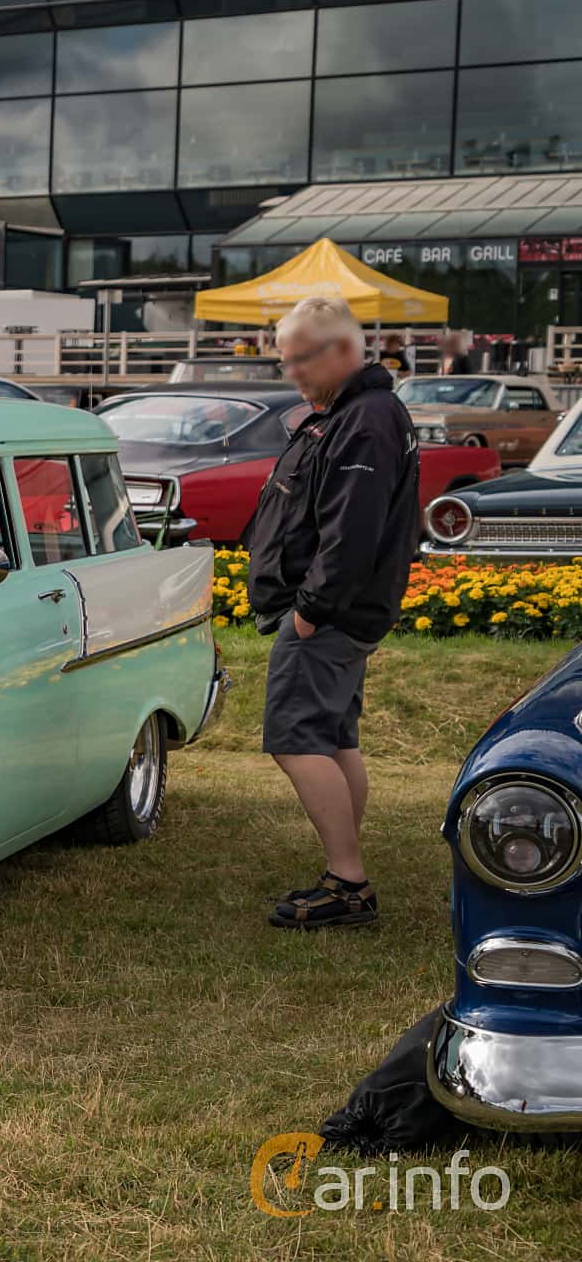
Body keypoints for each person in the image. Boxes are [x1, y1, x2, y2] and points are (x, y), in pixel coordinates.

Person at [246, 296, 419, 931]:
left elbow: (351, 532)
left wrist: (310, 614)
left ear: (341, 352)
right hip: (341, 612)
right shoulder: (353, 413)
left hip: (328, 614)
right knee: (335, 735)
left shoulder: (365, 419)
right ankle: (344, 865)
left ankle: (348, 882)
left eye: (298, 360)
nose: (290, 372)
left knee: (296, 739)